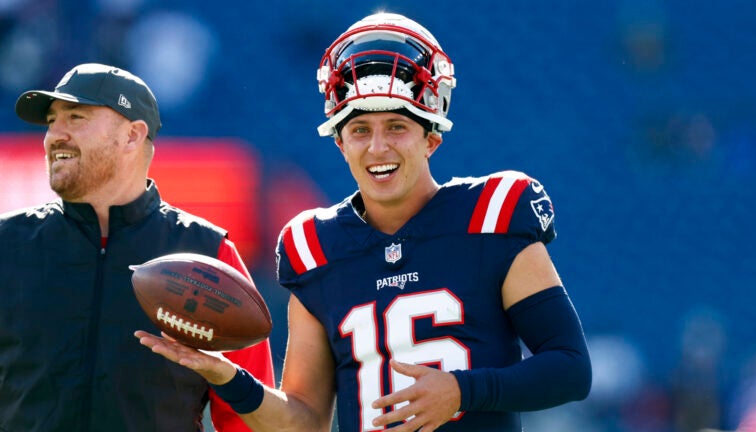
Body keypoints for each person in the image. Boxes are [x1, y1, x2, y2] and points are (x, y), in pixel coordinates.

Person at [136, 12, 591, 432]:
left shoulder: (492, 215)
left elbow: (570, 368)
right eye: (359, 130)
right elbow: (305, 420)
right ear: (339, 143)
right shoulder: (314, 245)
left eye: (396, 126)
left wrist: (462, 391)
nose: (377, 148)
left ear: (431, 136)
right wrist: (228, 375)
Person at [0, 63, 275, 431]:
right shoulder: (8, 245)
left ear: (132, 135)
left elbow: (249, 422)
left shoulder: (208, 253)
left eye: (76, 117)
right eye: (51, 121)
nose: (54, 136)